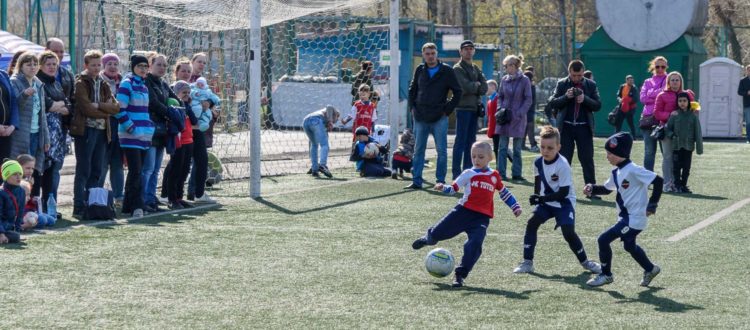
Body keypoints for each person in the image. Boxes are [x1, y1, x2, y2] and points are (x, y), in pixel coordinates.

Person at [411, 141, 522, 287]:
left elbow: (504, 192)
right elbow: (453, 188)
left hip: (481, 218)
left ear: (490, 158)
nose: (476, 160)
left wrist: (515, 206)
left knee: (475, 245)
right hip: (462, 212)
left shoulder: (494, 176)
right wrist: (443, 187)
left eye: (480, 157)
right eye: (473, 156)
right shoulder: (468, 174)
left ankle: (460, 275)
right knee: (440, 231)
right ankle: (429, 239)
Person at [512, 126, 601, 274]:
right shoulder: (537, 162)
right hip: (546, 202)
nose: (545, 151)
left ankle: (586, 262)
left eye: (550, 148)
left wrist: (541, 199)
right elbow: (538, 182)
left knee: (568, 232)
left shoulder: (563, 165)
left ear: (558, 147)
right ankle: (527, 262)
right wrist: (536, 197)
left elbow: (563, 193)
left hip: (564, 202)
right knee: (532, 223)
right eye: (542, 147)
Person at [584, 132, 663, 287]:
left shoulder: (633, 170)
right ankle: (651, 269)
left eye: (609, 153)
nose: (607, 156)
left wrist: (652, 205)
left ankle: (606, 275)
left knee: (603, 240)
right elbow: (607, 189)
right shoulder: (616, 172)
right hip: (626, 218)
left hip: (635, 218)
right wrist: (592, 188)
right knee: (629, 246)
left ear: (619, 153)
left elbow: (658, 181)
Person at [406, 42, 462, 189]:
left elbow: (458, 92)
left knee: (441, 151)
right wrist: (412, 108)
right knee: (418, 150)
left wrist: (447, 110)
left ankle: (440, 181)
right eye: (427, 54)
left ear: (437, 54)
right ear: (423, 55)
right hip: (420, 116)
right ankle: (416, 180)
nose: (430, 56)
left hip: (439, 117)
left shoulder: (447, 71)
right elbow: (412, 89)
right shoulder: (419, 70)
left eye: (432, 53)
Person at [71, 50, 120, 218]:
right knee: (84, 169)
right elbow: (85, 108)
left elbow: (116, 107)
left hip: (102, 131)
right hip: (86, 131)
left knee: (97, 169)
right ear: (86, 65)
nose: (96, 68)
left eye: (99, 64)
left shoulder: (103, 83)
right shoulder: (80, 83)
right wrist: (105, 110)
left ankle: (91, 203)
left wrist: (99, 106)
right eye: (93, 65)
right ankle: (78, 205)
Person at [548, 60, 601, 197]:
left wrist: (585, 99)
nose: (576, 78)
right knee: (564, 160)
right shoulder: (562, 84)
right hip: (565, 127)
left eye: (579, 75)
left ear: (583, 73)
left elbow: (597, 105)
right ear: (569, 73)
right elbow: (553, 102)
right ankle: (562, 190)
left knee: (587, 159)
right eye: (573, 75)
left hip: (584, 127)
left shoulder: (591, 85)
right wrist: (566, 97)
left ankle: (591, 190)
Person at [115, 54, 154, 218]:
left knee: (135, 172)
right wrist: (131, 128)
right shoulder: (127, 84)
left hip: (144, 135)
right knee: (136, 171)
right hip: (131, 135)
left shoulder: (144, 86)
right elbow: (119, 109)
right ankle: (137, 206)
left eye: (145, 66)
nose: (143, 69)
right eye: (140, 66)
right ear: (133, 67)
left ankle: (128, 206)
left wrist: (148, 126)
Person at [143, 52, 180, 211]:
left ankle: (151, 197)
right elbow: (153, 103)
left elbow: (176, 100)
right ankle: (143, 199)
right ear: (150, 65)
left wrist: (177, 108)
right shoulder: (146, 82)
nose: (162, 68)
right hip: (150, 129)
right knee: (148, 168)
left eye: (165, 65)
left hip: (162, 131)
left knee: (156, 168)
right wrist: (170, 112)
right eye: (158, 64)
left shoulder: (164, 84)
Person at [37, 50, 72, 213]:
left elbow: (67, 105)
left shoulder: (56, 83)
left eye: (54, 64)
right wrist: (58, 106)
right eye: (48, 64)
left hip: (58, 132)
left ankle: (50, 205)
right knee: (41, 170)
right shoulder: (39, 82)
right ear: (41, 66)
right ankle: (37, 206)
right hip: (43, 132)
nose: (51, 67)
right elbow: (48, 105)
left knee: (52, 171)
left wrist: (58, 106)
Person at [9, 52, 49, 195]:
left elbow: (42, 114)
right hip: (20, 135)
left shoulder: (38, 83)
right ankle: (19, 204)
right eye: (28, 64)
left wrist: (46, 137)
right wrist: (25, 94)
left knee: (34, 171)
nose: (32, 67)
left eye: (35, 64)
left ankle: (32, 204)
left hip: (36, 133)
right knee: (19, 170)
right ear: (20, 66)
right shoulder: (15, 81)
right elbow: (13, 107)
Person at [452, 40, 488, 180]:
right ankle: (456, 173)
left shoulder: (475, 68)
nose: (468, 51)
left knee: (471, 143)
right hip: (463, 109)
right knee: (460, 142)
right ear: (460, 52)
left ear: (474, 51)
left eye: (471, 48)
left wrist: (477, 85)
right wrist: (476, 85)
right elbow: (465, 87)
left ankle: (468, 172)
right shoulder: (457, 68)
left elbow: (484, 87)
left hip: (474, 109)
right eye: (465, 49)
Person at [654, 71, 695, 192]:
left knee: (682, 158)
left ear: (681, 82)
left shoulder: (688, 94)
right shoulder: (661, 95)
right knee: (668, 156)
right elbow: (657, 113)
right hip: (667, 130)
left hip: (684, 132)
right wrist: (671, 115)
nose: (675, 82)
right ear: (668, 82)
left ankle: (679, 184)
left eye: (677, 80)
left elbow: (694, 110)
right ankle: (667, 183)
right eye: (672, 80)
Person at [496, 55, 532, 181]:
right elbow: (500, 96)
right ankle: (501, 173)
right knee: (502, 147)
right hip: (504, 117)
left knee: (517, 148)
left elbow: (528, 99)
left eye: (509, 65)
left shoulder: (525, 80)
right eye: (506, 65)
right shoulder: (504, 80)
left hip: (518, 118)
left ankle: (516, 173)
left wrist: (520, 113)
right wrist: (500, 109)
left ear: (516, 66)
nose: (507, 68)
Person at [164, 81, 198, 210]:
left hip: (189, 141)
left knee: (184, 171)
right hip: (179, 141)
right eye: (184, 92)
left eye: (188, 93)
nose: (187, 95)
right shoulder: (173, 105)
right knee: (175, 170)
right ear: (176, 93)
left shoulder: (186, 106)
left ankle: (179, 197)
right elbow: (178, 123)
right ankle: (172, 198)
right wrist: (182, 105)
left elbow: (195, 121)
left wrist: (187, 106)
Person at [98, 53, 125, 204]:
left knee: (117, 162)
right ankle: (98, 194)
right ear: (104, 65)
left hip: (120, 126)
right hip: (104, 126)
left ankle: (118, 195)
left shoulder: (124, 82)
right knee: (102, 162)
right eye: (109, 64)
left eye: (115, 64)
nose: (113, 67)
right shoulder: (100, 82)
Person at [666, 92, 703, 194]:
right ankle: (677, 185)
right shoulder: (674, 115)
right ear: (677, 102)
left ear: (688, 102)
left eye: (684, 101)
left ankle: (683, 185)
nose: (682, 103)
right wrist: (672, 135)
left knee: (686, 167)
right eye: (680, 101)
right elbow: (668, 129)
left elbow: (698, 132)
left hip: (688, 146)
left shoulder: (693, 116)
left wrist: (699, 148)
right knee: (676, 167)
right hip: (676, 146)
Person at [639, 56, 669, 172]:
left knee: (666, 152)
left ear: (666, 67)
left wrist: (651, 93)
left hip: (663, 119)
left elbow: (665, 96)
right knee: (649, 151)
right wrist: (658, 93)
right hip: (648, 119)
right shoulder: (647, 81)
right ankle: (648, 178)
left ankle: (668, 180)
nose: (660, 69)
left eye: (663, 66)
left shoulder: (669, 79)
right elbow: (643, 99)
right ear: (653, 67)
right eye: (657, 66)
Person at [302, 105, 339, 178]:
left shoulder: (323, 117)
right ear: (336, 115)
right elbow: (329, 107)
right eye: (336, 119)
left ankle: (314, 169)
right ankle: (322, 165)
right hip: (316, 120)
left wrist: (327, 127)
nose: (335, 122)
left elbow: (322, 131)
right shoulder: (332, 111)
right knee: (324, 145)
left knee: (314, 145)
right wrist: (331, 121)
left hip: (305, 121)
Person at [0, 160, 32, 244]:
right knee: (14, 237)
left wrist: (17, 232)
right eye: (14, 174)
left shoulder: (21, 191)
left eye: (20, 174)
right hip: (2, 227)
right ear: (6, 176)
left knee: (15, 236)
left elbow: (20, 214)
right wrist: (1, 234)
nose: (18, 177)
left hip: (8, 227)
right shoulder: (1, 192)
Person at [0, 65, 19, 162]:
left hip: (6, 132)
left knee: (4, 170)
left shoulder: (3, 75)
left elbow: (13, 101)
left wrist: (13, 125)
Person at [523, 70, 539, 152]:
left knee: (526, 128)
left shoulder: (529, 86)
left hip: (527, 110)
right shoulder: (530, 86)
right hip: (528, 110)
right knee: (529, 128)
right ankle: (533, 145)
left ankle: (523, 144)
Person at [484, 79, 499, 159]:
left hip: (497, 129)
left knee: (498, 149)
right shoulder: (490, 100)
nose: (485, 89)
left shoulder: (497, 99)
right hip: (493, 129)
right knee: (496, 149)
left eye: (487, 86)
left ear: (493, 87)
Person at [737, 64, 750, 144]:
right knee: (748, 123)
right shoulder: (742, 81)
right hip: (747, 104)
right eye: (748, 70)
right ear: (746, 71)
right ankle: (749, 139)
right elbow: (739, 92)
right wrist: (747, 93)